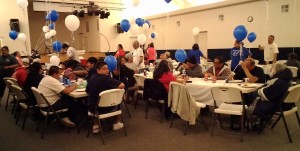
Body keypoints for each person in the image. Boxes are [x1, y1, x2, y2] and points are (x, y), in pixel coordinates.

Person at [252, 63, 293, 133]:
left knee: (256, 96)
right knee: (258, 96)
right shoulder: (286, 81)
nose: (270, 71)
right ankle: (260, 118)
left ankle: (257, 118)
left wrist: (258, 90)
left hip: (280, 105)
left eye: (271, 70)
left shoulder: (278, 82)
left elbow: (266, 93)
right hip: (287, 104)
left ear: (275, 71)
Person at [86, 61, 125, 133]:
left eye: (107, 68)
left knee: (92, 100)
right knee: (119, 100)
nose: (107, 70)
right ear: (98, 70)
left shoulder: (92, 77)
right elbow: (122, 85)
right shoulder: (106, 78)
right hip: (105, 108)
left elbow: (87, 91)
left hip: (93, 109)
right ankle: (116, 123)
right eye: (104, 69)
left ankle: (96, 125)